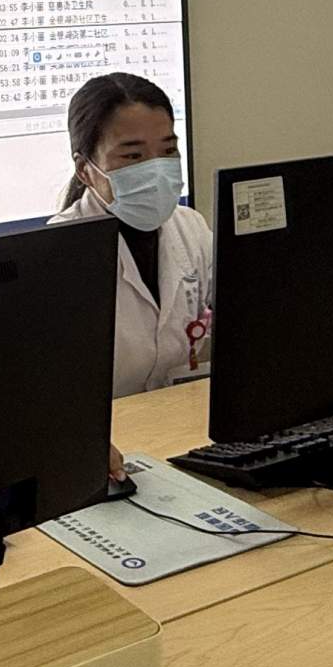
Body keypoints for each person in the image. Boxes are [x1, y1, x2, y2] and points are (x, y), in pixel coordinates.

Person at [50, 74, 215, 447]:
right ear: (85, 169)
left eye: (168, 151)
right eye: (133, 156)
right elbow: (48, 392)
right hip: (102, 446)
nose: (156, 169)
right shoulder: (59, 255)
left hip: (180, 429)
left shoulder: (190, 228)